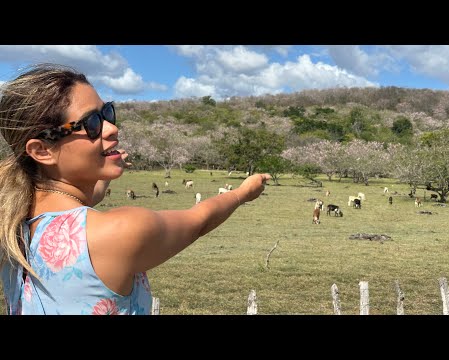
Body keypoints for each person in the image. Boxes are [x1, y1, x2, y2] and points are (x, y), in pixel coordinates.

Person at [0, 63, 271, 315]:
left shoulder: (14, 221)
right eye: (92, 123)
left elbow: (84, 200)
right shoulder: (122, 230)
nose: (112, 128)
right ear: (42, 150)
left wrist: (104, 172)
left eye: (107, 113)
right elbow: (199, 221)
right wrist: (242, 193)